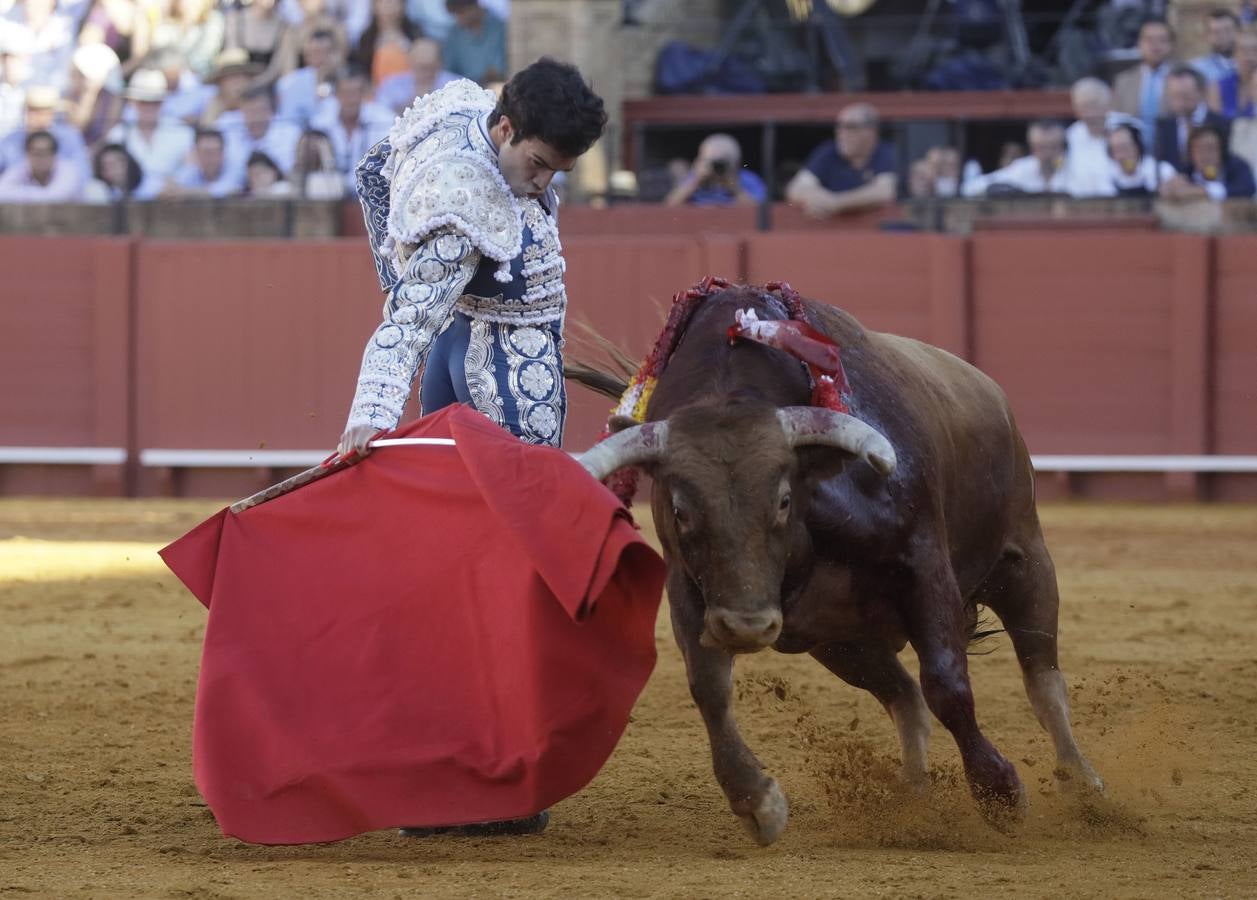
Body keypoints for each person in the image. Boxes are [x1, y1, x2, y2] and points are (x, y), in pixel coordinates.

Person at [339, 56, 605, 500]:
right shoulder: (469, 204)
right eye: (538, 162)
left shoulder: (463, 109)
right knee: (527, 512)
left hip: (450, 348)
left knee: (446, 515)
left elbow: (372, 171)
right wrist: (372, 412)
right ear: (506, 129)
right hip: (505, 370)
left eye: (558, 171)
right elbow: (408, 322)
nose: (543, 181)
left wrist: (397, 274)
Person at [784, 102, 896, 218]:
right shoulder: (829, 151)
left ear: (870, 130)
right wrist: (822, 200)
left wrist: (837, 203)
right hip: (829, 231)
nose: (841, 133)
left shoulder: (886, 153)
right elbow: (796, 188)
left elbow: (885, 192)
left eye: (850, 126)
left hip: (876, 231)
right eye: (839, 126)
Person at [1065, 77, 1141, 197]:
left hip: (1125, 201)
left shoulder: (1131, 128)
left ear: (1108, 104)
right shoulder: (1071, 135)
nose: (1089, 113)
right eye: (1083, 107)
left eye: (1094, 105)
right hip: (1081, 205)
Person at [962, 121, 1069, 196]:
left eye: (1053, 147)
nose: (1047, 154)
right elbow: (971, 188)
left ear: (1063, 148)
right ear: (1032, 148)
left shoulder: (1076, 168)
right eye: (1040, 148)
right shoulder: (1023, 168)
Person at [1113, 18, 1176, 144]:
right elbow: (1115, 121)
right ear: (1139, 44)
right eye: (1149, 40)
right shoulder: (1123, 81)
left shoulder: (1183, 78)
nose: (1155, 46)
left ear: (1171, 45)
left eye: (1162, 40)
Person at [1155, 65, 1230, 171]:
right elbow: (1161, 162)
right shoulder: (1165, 126)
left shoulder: (1222, 124)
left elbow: (1229, 164)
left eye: (1185, 96)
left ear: (1201, 92)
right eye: (1174, 97)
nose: (1179, 103)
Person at [664, 132, 765, 207]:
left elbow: (760, 212)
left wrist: (734, 187)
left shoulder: (748, 179)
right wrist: (696, 181)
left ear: (736, 162)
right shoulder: (694, 177)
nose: (717, 168)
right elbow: (669, 205)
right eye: (713, 162)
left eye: (722, 163)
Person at [1161, 123, 1256, 200]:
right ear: (1190, 154)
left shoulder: (1238, 166)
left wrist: (1202, 192)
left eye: (1210, 149)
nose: (1205, 155)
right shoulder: (1186, 170)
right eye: (1199, 150)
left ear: (1221, 150)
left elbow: (1247, 188)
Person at [373, 36, 456, 113]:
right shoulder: (391, 86)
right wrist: (412, 103)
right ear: (410, 63)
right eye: (421, 67)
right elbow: (381, 115)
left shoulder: (455, 84)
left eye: (431, 67)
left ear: (439, 64)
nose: (426, 73)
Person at [0, 129, 86, 201]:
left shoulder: (68, 170)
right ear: (27, 154)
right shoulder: (20, 168)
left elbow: (56, 197)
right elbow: (2, 191)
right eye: (36, 153)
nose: (41, 158)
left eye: (46, 153)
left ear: (55, 155)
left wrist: (21, 192)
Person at [441, 0, 505, 85]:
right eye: (455, 14)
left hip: (495, 86)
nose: (459, 19)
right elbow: (448, 71)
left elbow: (498, 70)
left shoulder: (499, 27)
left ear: (474, 6)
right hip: (462, 90)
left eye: (461, 12)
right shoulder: (454, 33)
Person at [166, 126, 242, 196]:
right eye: (206, 152)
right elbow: (172, 188)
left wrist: (186, 192)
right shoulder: (192, 170)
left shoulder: (235, 170)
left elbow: (227, 191)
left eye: (215, 152)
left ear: (223, 153)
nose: (210, 158)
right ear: (196, 153)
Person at [1106, 123, 1176, 196]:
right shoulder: (1106, 175)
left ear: (1138, 147)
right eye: (1115, 150)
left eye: (1125, 148)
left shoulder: (1162, 170)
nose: (1121, 156)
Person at [1208, 26, 1257, 118]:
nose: (1250, 57)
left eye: (1255, 50)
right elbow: (1215, 124)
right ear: (1235, 54)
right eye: (1244, 50)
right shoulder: (1218, 86)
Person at [1192, 8, 1240, 86]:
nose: (1223, 36)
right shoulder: (1196, 69)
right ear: (1207, 36)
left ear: (1239, 32)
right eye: (1216, 32)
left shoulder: (1252, 65)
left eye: (1227, 30)